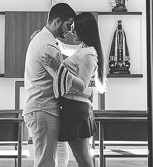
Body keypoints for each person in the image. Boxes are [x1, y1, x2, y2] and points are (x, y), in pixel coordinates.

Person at [41, 11, 106, 167]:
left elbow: (82, 85)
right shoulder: (82, 49)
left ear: (84, 31)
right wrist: (44, 35)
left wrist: (59, 68)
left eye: (75, 28)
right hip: (73, 107)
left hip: (76, 108)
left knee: (82, 156)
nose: (72, 31)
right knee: (79, 156)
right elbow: (63, 47)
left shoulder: (88, 55)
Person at [23, 2, 77, 167]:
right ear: (58, 21)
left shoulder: (46, 39)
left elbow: (67, 50)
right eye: (68, 25)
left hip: (44, 109)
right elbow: (63, 84)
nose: (70, 30)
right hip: (43, 109)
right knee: (46, 162)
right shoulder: (47, 45)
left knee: (58, 158)